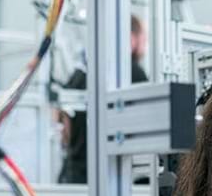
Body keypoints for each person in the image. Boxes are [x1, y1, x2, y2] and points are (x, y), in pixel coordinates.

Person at [56, 15, 148, 183]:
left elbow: (63, 127)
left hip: (72, 177)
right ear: (131, 38)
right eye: (143, 39)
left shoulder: (79, 74)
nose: (144, 46)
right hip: (109, 178)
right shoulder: (132, 71)